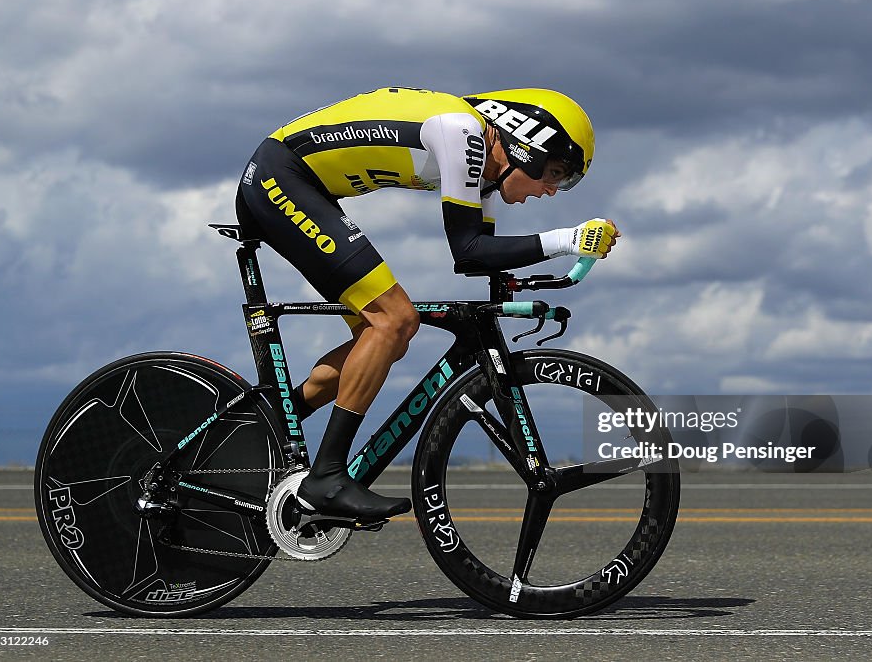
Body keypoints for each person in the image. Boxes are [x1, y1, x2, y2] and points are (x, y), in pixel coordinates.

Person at [235, 87, 619, 521]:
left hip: (300, 183)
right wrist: (567, 239)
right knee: (395, 320)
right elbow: (469, 249)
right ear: (523, 143)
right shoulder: (463, 132)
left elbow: (481, 258)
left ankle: (256, 429)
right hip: (279, 175)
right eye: (554, 173)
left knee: (379, 341)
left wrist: (548, 269)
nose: (552, 190)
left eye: (564, 182)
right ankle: (325, 478)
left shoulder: (486, 168)